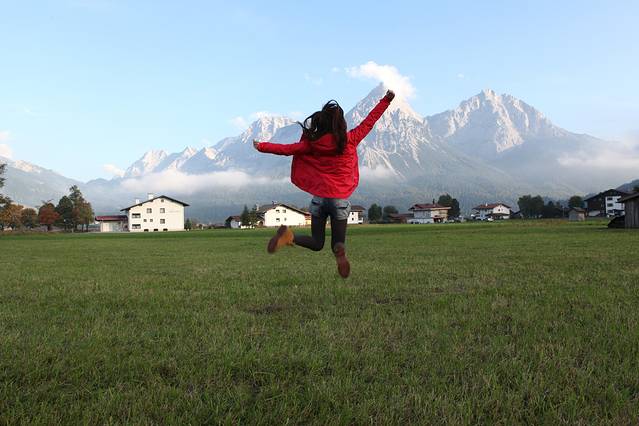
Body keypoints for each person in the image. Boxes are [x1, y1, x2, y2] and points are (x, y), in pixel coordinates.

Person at [253, 89, 395, 278]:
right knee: (337, 242)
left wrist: (262, 146)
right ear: (340, 123)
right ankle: (339, 250)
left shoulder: (312, 144)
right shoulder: (350, 140)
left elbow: (287, 149)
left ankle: (289, 236)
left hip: (319, 199)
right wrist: (386, 100)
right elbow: (370, 121)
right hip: (339, 200)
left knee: (316, 242)